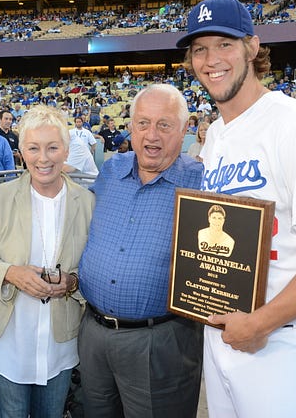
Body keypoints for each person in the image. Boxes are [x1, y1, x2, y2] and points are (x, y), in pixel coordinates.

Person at [178, 0, 296, 418]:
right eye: (199, 48)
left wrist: (261, 323)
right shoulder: (216, 136)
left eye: (224, 44)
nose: (211, 59)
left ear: (252, 46)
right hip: (226, 333)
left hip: (283, 343)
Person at [78, 83, 204, 418]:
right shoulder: (111, 171)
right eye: (143, 123)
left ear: (185, 129)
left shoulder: (201, 183)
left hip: (160, 340)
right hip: (93, 333)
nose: (152, 136)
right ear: (130, 127)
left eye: (164, 125)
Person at [0, 105, 94, 418]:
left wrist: (71, 282)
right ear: (21, 152)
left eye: (53, 147)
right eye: (33, 148)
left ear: (66, 150)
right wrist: (11, 273)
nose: (43, 158)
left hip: (59, 344)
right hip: (8, 343)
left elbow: (92, 269)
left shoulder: (86, 202)